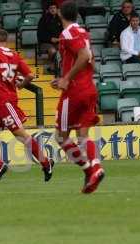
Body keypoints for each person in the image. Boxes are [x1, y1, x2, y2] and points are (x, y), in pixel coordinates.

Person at [0, 29, 54, 184]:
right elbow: (29, 75)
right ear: (6, 40)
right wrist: (21, 85)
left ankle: (46, 162)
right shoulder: (15, 55)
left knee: (21, 135)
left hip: (5, 101)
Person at [51, 0, 103, 194]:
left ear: (59, 14)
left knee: (61, 137)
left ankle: (90, 170)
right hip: (89, 88)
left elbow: (83, 55)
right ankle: (95, 169)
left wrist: (67, 79)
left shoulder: (66, 33)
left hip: (74, 92)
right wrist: (65, 77)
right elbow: (91, 59)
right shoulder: (83, 32)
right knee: (83, 134)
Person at [37, 2, 63, 73]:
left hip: (58, 42)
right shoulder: (43, 19)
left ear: (57, 9)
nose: (53, 10)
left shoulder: (60, 19)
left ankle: (62, 67)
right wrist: (50, 39)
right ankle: (51, 66)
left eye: (54, 8)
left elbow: (64, 31)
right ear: (48, 10)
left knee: (65, 49)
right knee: (53, 51)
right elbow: (40, 34)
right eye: (51, 8)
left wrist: (60, 39)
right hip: (45, 43)